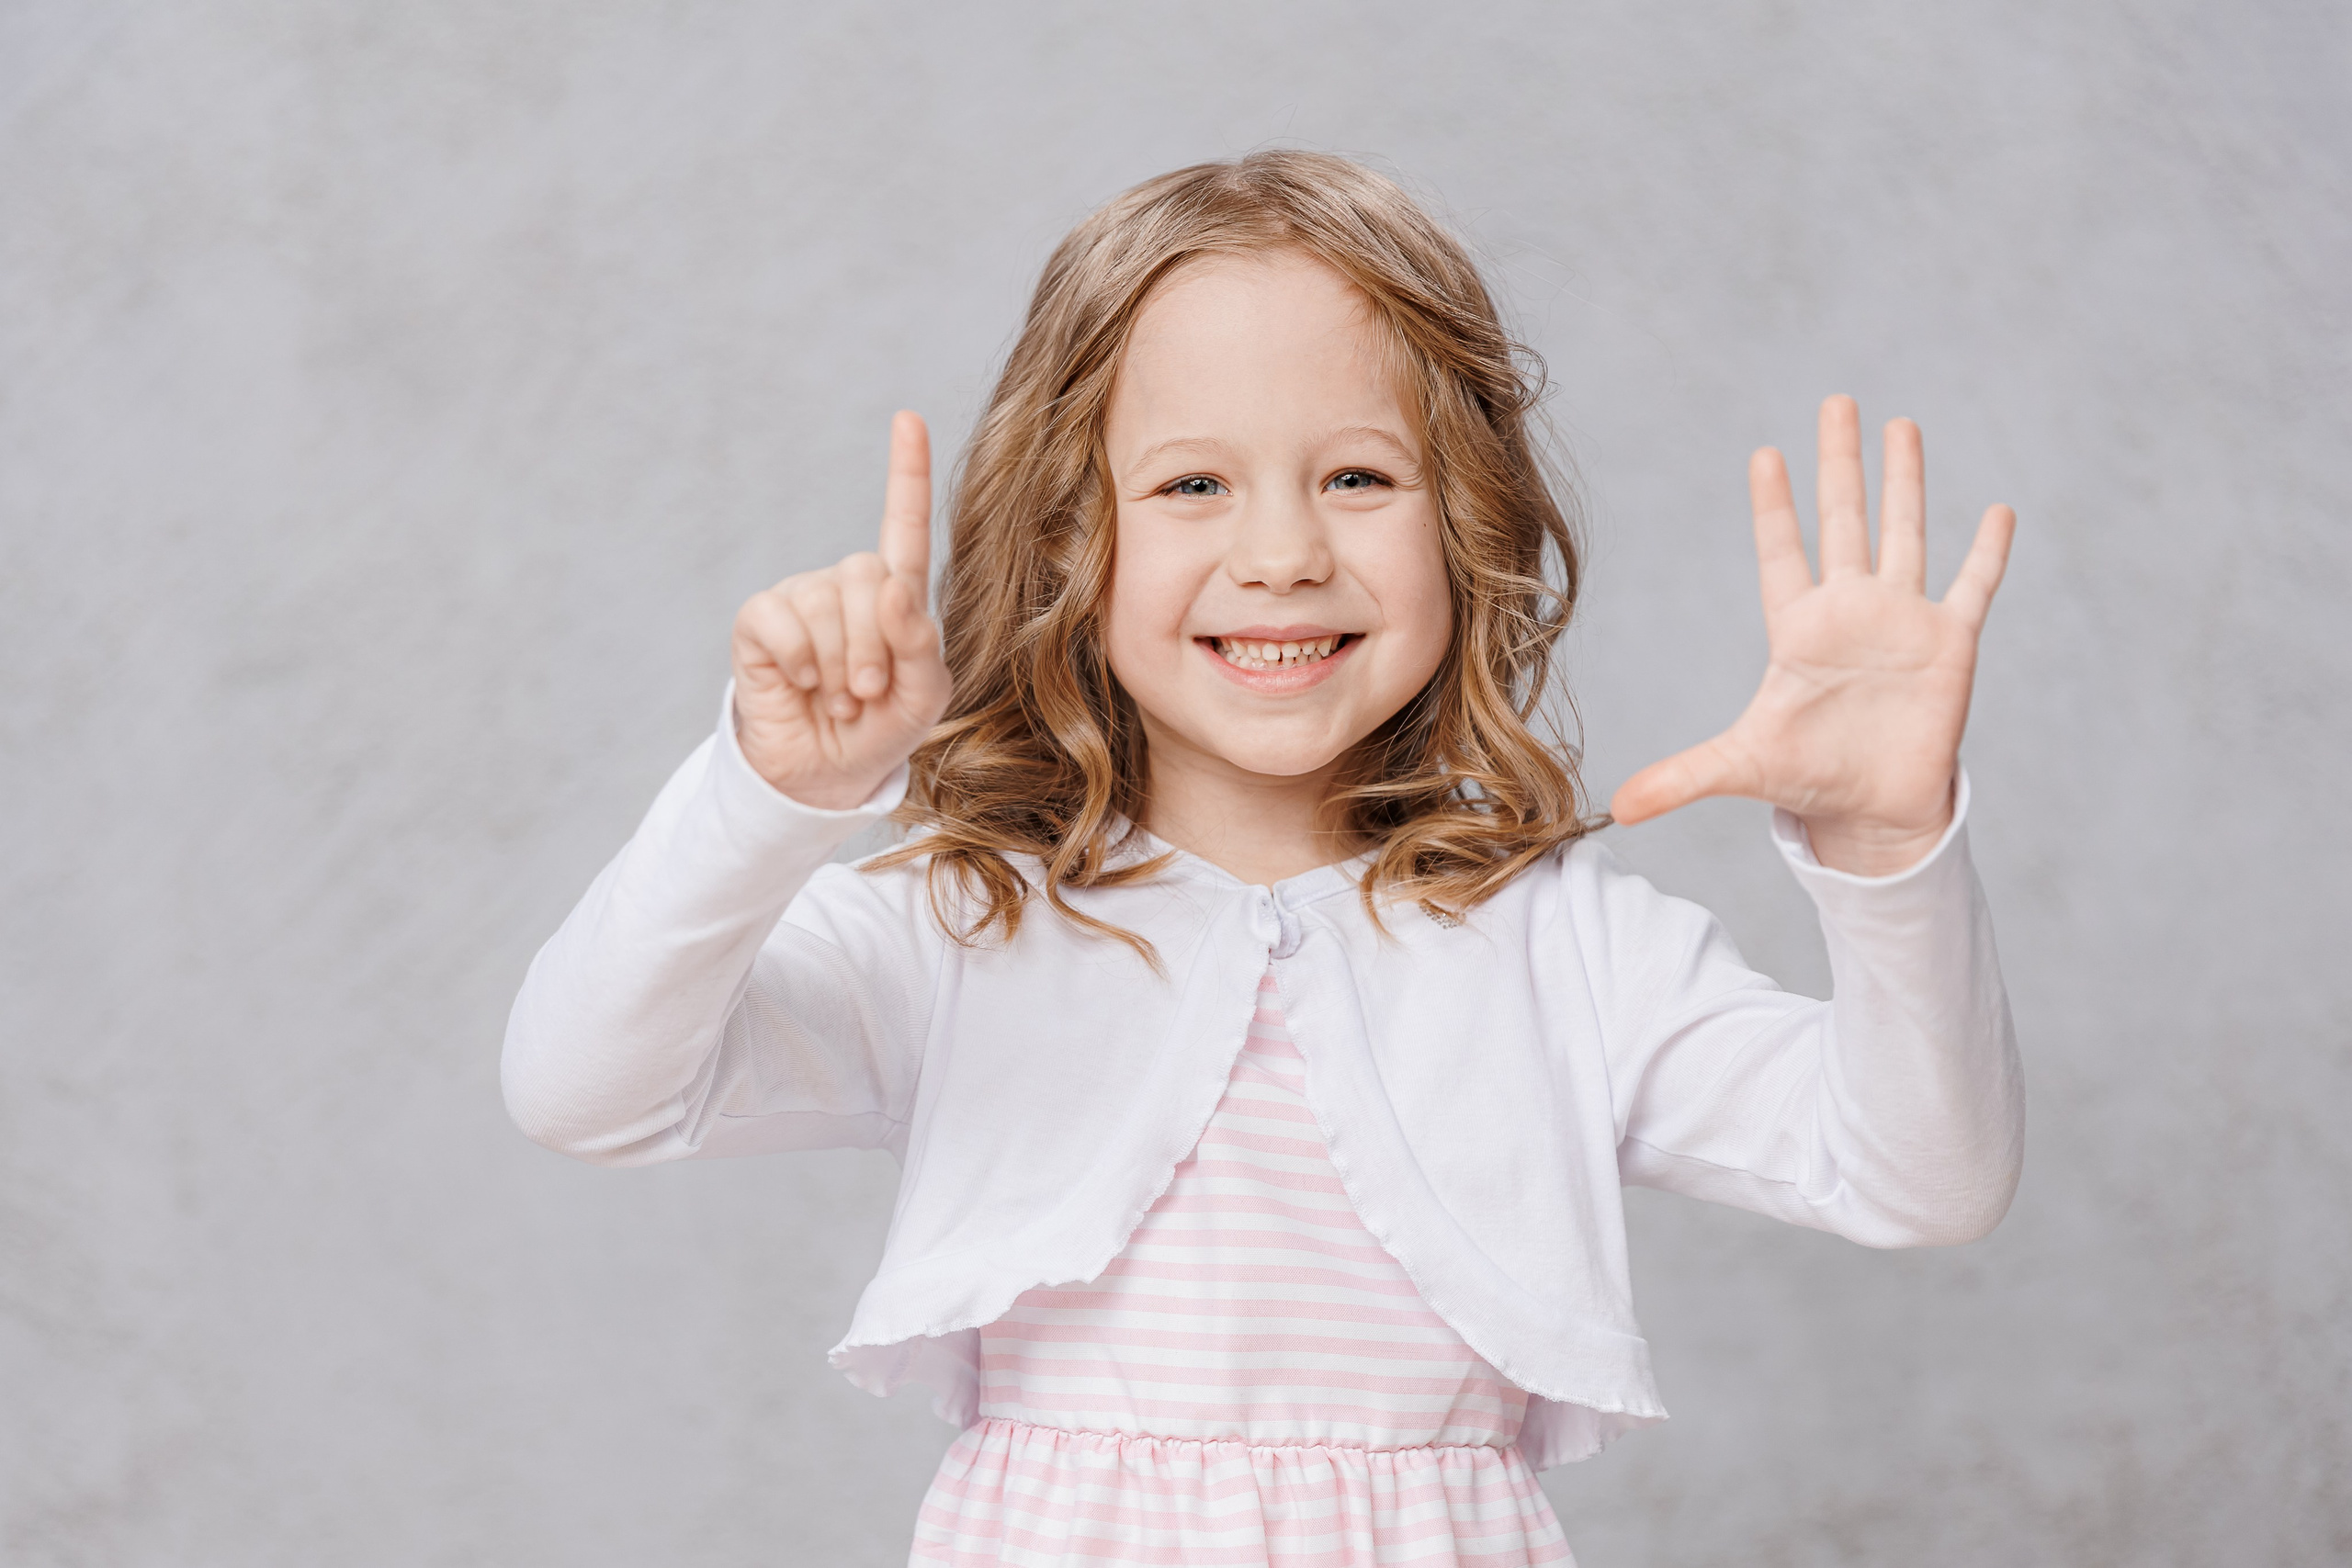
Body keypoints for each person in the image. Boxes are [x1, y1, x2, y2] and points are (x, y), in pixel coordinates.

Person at [502, 151, 2023, 1566]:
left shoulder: (1570, 947)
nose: (1284, 551)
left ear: (1471, 526)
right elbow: (584, 1087)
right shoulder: (962, 921)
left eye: (1360, 477)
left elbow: (1919, 1177)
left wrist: (1890, 852)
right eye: (1190, 484)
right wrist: (772, 796)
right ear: (1064, 540)